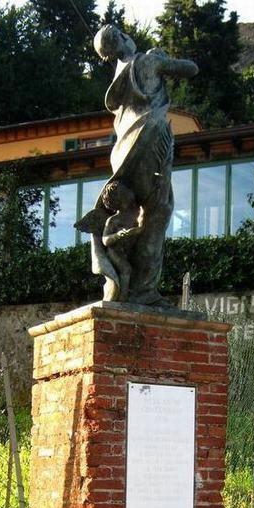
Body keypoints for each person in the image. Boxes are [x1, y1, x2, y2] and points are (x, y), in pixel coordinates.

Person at [80, 24, 198, 305]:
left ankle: (125, 284)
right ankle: (144, 290)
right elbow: (191, 68)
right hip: (150, 144)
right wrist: (162, 60)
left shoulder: (117, 82)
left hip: (123, 153)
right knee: (157, 213)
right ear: (123, 38)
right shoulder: (146, 62)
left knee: (136, 214)